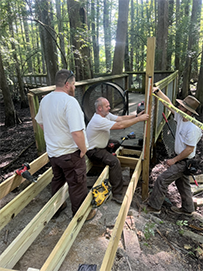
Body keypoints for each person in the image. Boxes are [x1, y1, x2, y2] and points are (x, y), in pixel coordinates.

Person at [35, 69, 96, 220]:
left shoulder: (45, 100)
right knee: (77, 184)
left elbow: (41, 123)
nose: (74, 87)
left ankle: (56, 208)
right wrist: (83, 149)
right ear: (67, 84)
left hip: (54, 153)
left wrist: (55, 136)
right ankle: (82, 214)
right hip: (70, 154)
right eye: (74, 84)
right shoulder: (69, 102)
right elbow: (76, 132)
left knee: (58, 179)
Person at [147, 87, 202, 216]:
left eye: (181, 106)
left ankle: (155, 208)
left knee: (162, 179)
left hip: (184, 161)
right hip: (181, 158)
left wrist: (174, 160)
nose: (178, 107)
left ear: (187, 111)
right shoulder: (180, 116)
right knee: (183, 184)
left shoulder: (193, 128)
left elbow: (189, 149)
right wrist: (158, 92)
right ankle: (188, 209)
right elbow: (169, 104)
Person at [86, 97, 149, 204]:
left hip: (102, 145)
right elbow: (120, 125)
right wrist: (139, 119)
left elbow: (120, 119)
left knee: (116, 143)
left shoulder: (105, 115)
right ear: (100, 108)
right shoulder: (98, 120)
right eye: (107, 106)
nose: (109, 108)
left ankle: (115, 176)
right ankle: (117, 193)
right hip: (94, 150)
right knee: (115, 162)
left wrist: (137, 115)